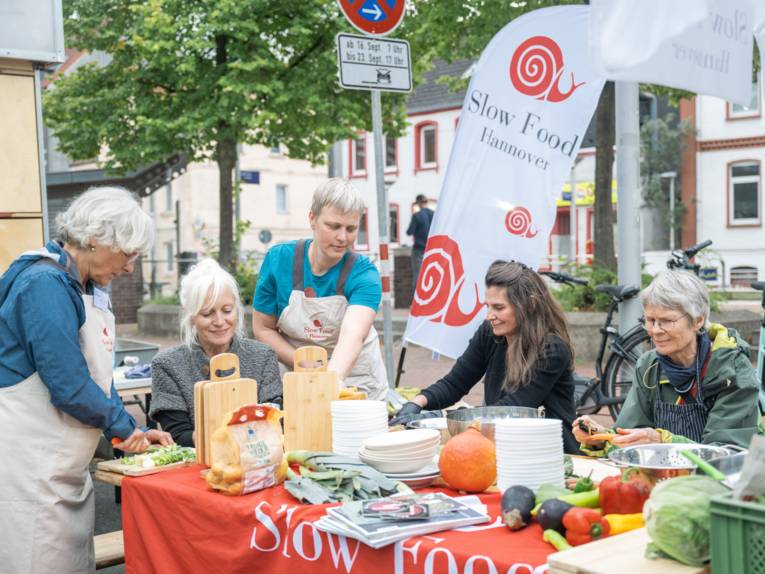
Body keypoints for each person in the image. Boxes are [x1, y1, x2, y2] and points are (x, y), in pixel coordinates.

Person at [0, 186, 172, 572]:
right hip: (30, 473)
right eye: (127, 254)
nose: (130, 267)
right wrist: (124, 426)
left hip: (63, 472)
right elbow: (70, 384)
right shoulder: (44, 285)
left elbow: (98, 379)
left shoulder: (86, 286)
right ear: (96, 240)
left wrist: (133, 433)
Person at [390, 260, 579, 453]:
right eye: (488, 306)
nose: (490, 315)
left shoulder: (552, 349)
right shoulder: (490, 333)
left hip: (553, 451)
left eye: (499, 308)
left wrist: (440, 416)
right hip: (501, 443)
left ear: (530, 304)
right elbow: (455, 383)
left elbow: (512, 410)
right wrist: (416, 403)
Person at [574, 270, 763, 454]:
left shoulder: (732, 370)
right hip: (665, 477)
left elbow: (726, 453)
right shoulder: (649, 366)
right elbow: (631, 433)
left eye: (667, 321)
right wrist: (601, 439)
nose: (655, 330)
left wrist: (664, 441)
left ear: (698, 321)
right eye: (650, 320)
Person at [251, 178, 388, 400]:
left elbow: (353, 334)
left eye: (351, 228)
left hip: (356, 378)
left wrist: (329, 382)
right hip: (298, 370)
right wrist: (303, 363)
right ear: (312, 219)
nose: (343, 237)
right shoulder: (279, 260)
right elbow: (263, 329)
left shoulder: (364, 273)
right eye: (333, 226)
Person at [150, 258, 283, 446]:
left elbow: (275, 419)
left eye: (227, 311)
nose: (220, 321)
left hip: (256, 461)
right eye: (207, 314)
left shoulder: (262, 356)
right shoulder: (167, 365)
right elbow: (178, 436)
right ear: (191, 318)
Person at [406, 194, 434, 290]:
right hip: (432, 249)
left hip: (419, 249)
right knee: (432, 274)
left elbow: (409, 232)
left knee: (418, 275)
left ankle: (417, 301)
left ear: (418, 203)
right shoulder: (434, 214)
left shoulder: (417, 216)